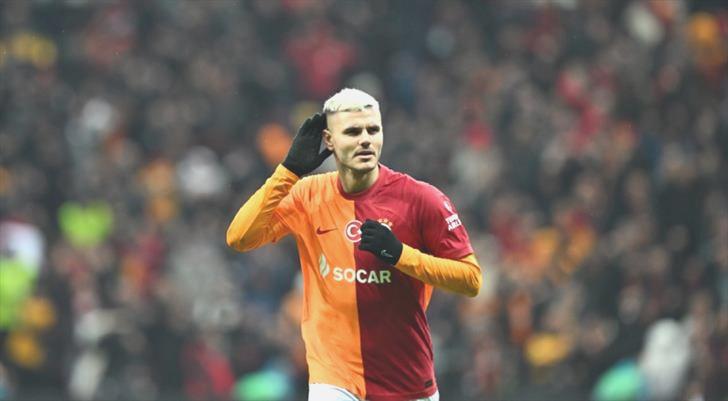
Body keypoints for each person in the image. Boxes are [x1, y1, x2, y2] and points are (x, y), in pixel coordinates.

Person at [226, 88, 482, 401]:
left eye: (373, 130)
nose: (365, 140)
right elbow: (239, 237)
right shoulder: (308, 194)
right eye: (352, 132)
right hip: (333, 379)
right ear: (329, 140)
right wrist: (288, 171)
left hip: (406, 381)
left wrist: (400, 255)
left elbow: (470, 280)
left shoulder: (422, 199)